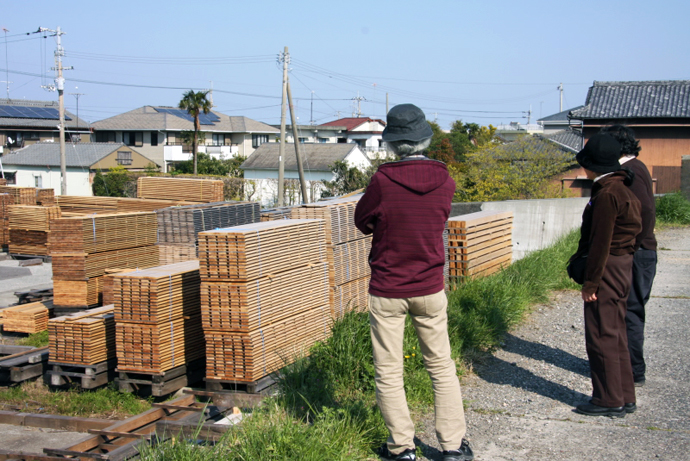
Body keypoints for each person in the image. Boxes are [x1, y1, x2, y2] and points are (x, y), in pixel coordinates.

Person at [354, 104, 473, 461]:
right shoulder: (446, 179)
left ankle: (401, 448)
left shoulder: (382, 181)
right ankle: (452, 447)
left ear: (392, 143)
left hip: (389, 288)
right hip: (431, 286)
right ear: (425, 137)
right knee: (441, 365)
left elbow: (362, 220)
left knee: (389, 371)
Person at [570, 133, 642, 417]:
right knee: (616, 333)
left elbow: (600, 242)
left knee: (601, 334)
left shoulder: (607, 194)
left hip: (607, 267)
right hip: (623, 265)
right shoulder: (625, 188)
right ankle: (625, 395)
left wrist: (591, 282)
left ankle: (608, 399)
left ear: (592, 166)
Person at [599, 125, 656, 387]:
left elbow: (643, 214)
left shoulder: (632, 171)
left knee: (629, 311)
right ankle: (629, 367)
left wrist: (628, 246)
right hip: (642, 251)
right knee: (629, 309)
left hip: (638, 252)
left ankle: (633, 370)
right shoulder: (637, 167)